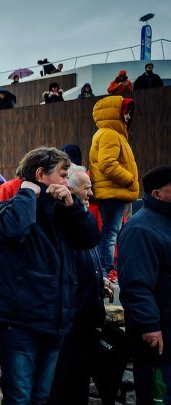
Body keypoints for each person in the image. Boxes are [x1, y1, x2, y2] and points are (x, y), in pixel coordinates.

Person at [0, 147, 99, 405]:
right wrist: (28, 193)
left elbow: (89, 239)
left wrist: (71, 205)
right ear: (41, 175)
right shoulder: (11, 205)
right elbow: (11, 230)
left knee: (39, 402)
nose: (66, 182)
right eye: (62, 175)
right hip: (19, 322)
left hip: (56, 321)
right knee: (18, 404)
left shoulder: (63, 211)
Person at [38, 165, 111, 405]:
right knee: (52, 388)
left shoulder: (79, 215)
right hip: (65, 316)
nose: (91, 193)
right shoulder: (57, 214)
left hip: (84, 317)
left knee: (78, 383)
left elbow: (90, 245)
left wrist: (100, 281)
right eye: (86, 187)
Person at [117, 165, 171, 405]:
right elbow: (136, 285)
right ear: (157, 193)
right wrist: (150, 325)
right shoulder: (141, 228)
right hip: (157, 335)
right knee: (158, 402)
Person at [89, 95, 139, 277]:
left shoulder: (111, 133)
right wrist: (128, 180)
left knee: (112, 232)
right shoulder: (109, 134)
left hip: (114, 192)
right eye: (126, 112)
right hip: (113, 192)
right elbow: (107, 163)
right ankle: (106, 269)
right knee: (110, 233)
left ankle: (106, 268)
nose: (128, 117)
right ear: (115, 113)